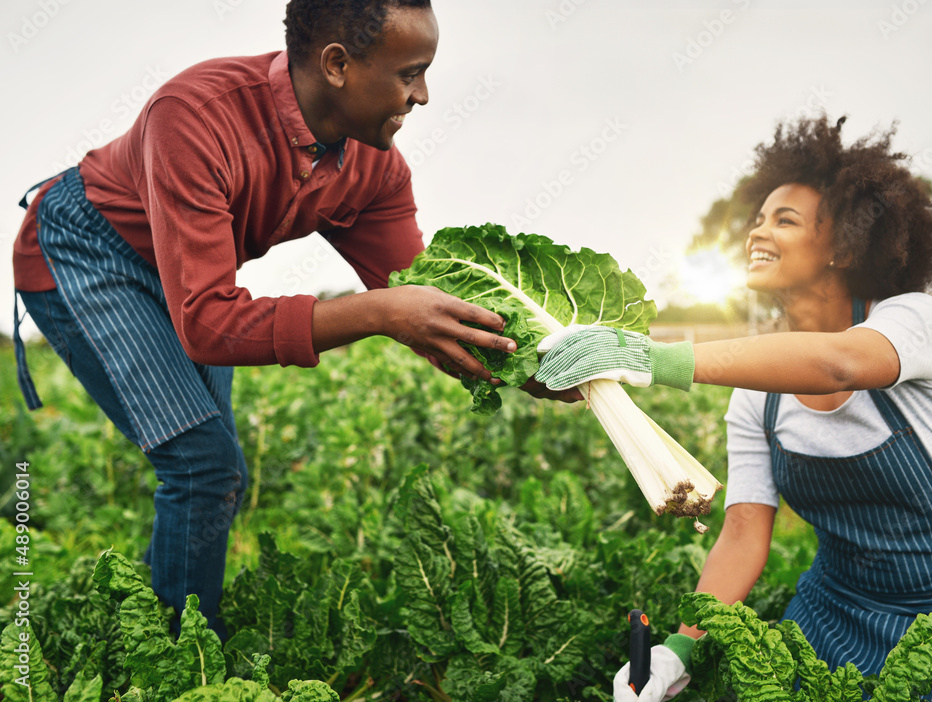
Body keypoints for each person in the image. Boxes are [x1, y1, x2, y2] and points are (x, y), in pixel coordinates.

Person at [11, 0, 570, 638]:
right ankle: (174, 654)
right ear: (337, 65)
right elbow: (210, 324)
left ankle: (174, 625)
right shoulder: (196, 117)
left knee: (216, 468)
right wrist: (380, 312)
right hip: (89, 248)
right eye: (409, 73)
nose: (423, 96)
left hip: (189, 278)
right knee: (202, 462)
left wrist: (535, 366)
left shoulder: (375, 168)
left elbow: (421, 296)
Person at [535, 114, 932, 702]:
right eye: (758, 219)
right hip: (832, 610)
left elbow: (841, 363)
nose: (758, 233)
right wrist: (677, 650)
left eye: (785, 220)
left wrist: (653, 360)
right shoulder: (757, 394)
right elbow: (744, 532)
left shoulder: (913, 321)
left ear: (842, 245)